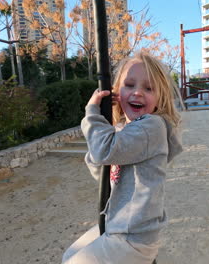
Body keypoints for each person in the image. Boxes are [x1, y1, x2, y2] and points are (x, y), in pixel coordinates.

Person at [62, 52, 183, 264]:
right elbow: (100, 169)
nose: (137, 92)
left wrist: (92, 113)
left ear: (160, 97)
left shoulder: (151, 126)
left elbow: (103, 152)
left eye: (148, 88)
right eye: (129, 85)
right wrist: (103, 137)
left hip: (133, 237)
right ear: (117, 92)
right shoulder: (122, 131)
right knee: (69, 256)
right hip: (117, 226)